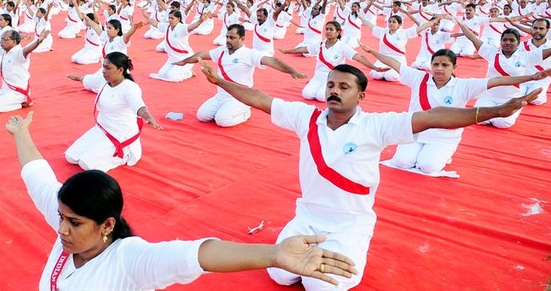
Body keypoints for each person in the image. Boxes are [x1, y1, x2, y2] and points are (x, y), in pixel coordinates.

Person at [199, 60, 539, 290]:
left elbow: (433, 116)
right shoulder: (305, 117)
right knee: (279, 273)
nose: (334, 90)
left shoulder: (377, 126)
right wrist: (220, 82)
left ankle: (352, 248)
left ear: (360, 95)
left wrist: (490, 111)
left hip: (350, 224)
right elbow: (260, 98)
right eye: (331, 85)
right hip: (307, 219)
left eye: (344, 86)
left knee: (321, 285)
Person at [7, 110, 357, 290]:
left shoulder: (130, 258)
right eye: (61, 217)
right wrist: (21, 132)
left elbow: (197, 254)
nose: (62, 229)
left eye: (74, 222)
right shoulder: (68, 221)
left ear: (107, 225)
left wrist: (274, 254)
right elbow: (36, 174)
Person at [361, 46, 551, 176]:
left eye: (445, 65)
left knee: (427, 166)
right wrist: (372, 51)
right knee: (402, 162)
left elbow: (498, 80)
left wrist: (531, 77)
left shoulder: (464, 85)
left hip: (444, 137)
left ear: (454, 67)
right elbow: (395, 64)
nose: (439, 69)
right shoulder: (418, 78)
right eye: (435, 64)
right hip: (417, 132)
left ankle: (445, 153)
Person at [175, 24, 307, 127]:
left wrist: (292, 71)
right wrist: (184, 61)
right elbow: (201, 54)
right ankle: (227, 109)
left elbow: (271, 61)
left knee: (222, 121)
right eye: (227, 37)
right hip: (220, 96)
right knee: (202, 116)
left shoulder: (250, 54)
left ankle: (245, 111)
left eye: (232, 38)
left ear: (242, 39)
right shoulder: (221, 51)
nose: (228, 40)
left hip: (240, 97)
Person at [65, 52, 161, 172]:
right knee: (71, 157)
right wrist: (77, 78)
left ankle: (125, 154)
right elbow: (89, 80)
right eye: (103, 67)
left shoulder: (130, 87)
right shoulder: (103, 80)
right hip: (102, 129)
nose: (104, 71)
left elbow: (139, 106)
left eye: (108, 68)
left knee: (87, 164)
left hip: (120, 134)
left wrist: (149, 117)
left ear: (120, 70)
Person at [455, 17, 551, 128]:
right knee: (479, 120)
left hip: (510, 99)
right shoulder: (491, 52)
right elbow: (472, 37)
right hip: (489, 96)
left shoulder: (525, 56)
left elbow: (548, 51)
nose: (508, 43)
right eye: (505, 40)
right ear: (500, 41)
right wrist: (462, 25)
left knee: (502, 123)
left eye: (512, 40)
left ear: (518, 42)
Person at [280, 21, 386, 102]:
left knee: (321, 97)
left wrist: (374, 67)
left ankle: (338, 89)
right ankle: (314, 84)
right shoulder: (320, 44)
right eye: (327, 29)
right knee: (307, 95)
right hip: (318, 77)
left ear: (338, 32)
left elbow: (359, 58)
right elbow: (304, 49)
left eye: (331, 29)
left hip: (333, 79)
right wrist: (288, 51)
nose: (328, 32)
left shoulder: (343, 47)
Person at [0, 29, 49, 113]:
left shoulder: (19, 52)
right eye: (1, 39)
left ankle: (21, 104)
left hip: (17, 93)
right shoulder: (5, 50)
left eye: (6, 40)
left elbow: (27, 50)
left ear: (14, 42)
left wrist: (38, 41)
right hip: (5, 90)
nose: (2, 42)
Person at [67, 19, 143, 93]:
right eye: (107, 28)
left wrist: (133, 29)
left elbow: (127, 35)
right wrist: (85, 17)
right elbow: (95, 26)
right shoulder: (106, 38)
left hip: (116, 72)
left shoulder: (120, 41)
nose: (107, 30)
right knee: (92, 84)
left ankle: (80, 78)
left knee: (98, 87)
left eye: (110, 28)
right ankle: (82, 78)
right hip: (105, 69)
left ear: (117, 30)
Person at [144, 10, 209, 82]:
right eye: (169, 18)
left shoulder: (182, 27)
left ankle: (189, 73)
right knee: (161, 74)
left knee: (172, 76)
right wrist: (145, 15)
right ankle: (181, 71)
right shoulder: (166, 26)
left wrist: (200, 21)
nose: (170, 20)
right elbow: (155, 23)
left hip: (185, 59)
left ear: (178, 19)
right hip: (172, 59)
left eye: (172, 18)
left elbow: (191, 27)